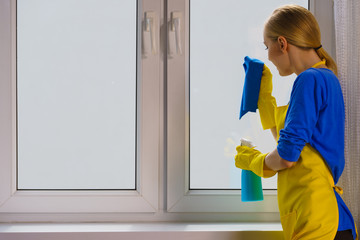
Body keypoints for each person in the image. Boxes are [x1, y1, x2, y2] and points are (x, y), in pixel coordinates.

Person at [235, 5, 357, 240]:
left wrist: (253, 162)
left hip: (317, 219)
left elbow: (286, 158)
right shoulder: (325, 77)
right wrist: (265, 100)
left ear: (282, 43)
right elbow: (293, 147)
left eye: (267, 46)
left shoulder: (308, 80)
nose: (268, 56)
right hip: (325, 217)